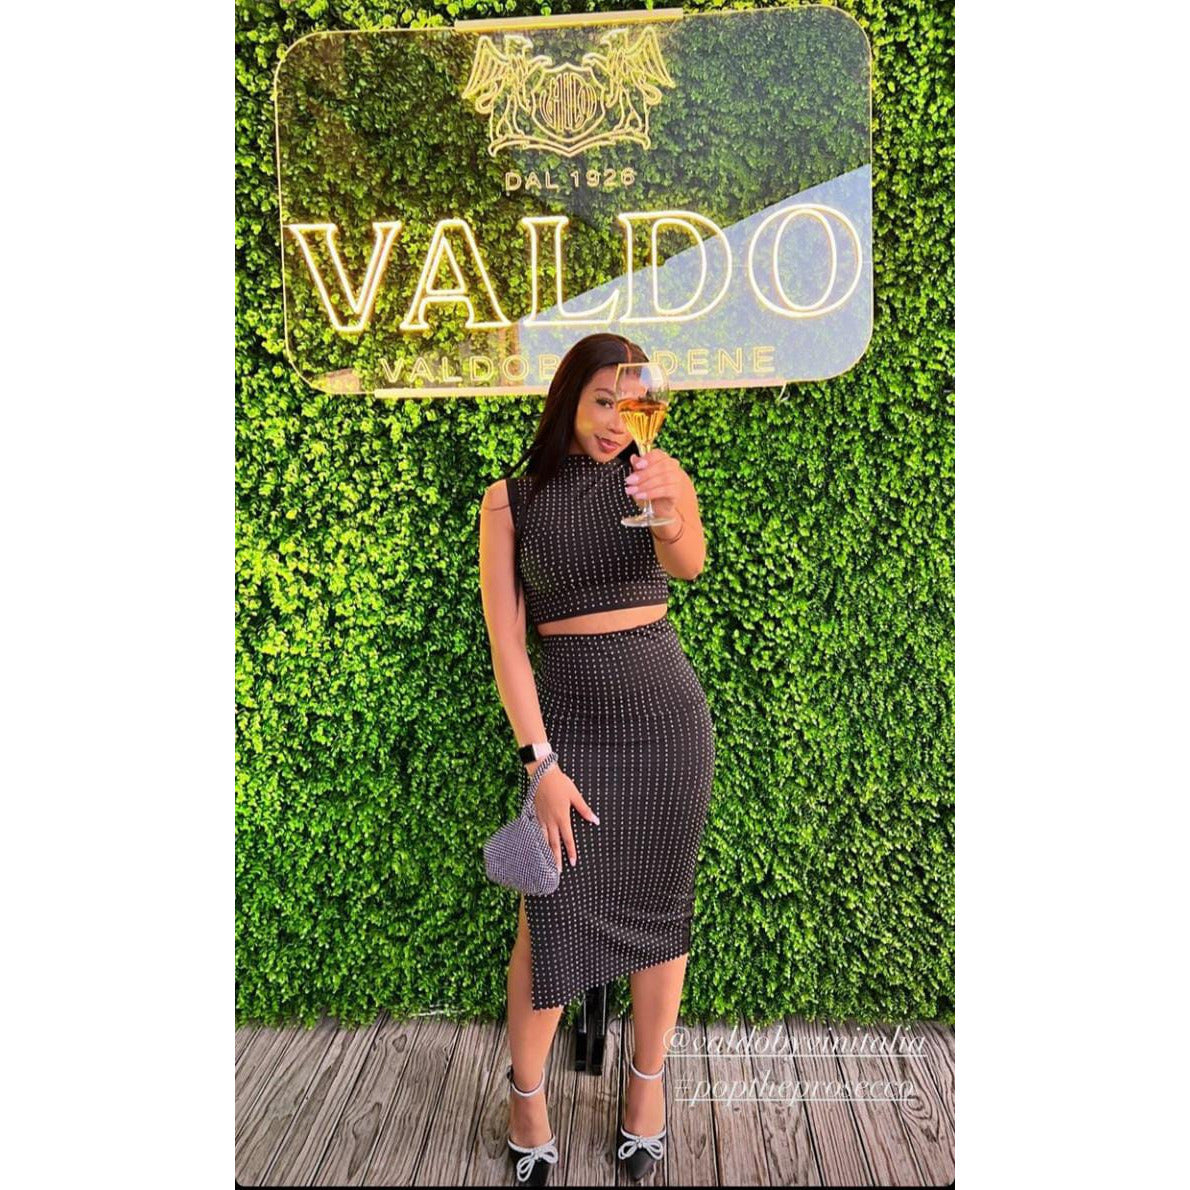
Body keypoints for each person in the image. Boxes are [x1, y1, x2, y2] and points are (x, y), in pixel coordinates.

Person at [477, 331, 716, 1185]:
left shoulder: (655, 473)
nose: (616, 421)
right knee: (549, 922)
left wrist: (670, 506)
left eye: (631, 404)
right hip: (572, 728)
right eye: (601, 401)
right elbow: (508, 643)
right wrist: (540, 764)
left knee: (661, 914)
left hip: (668, 726)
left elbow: (688, 565)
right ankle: (527, 1098)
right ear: (569, 398)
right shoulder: (509, 501)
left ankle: (645, 1087)